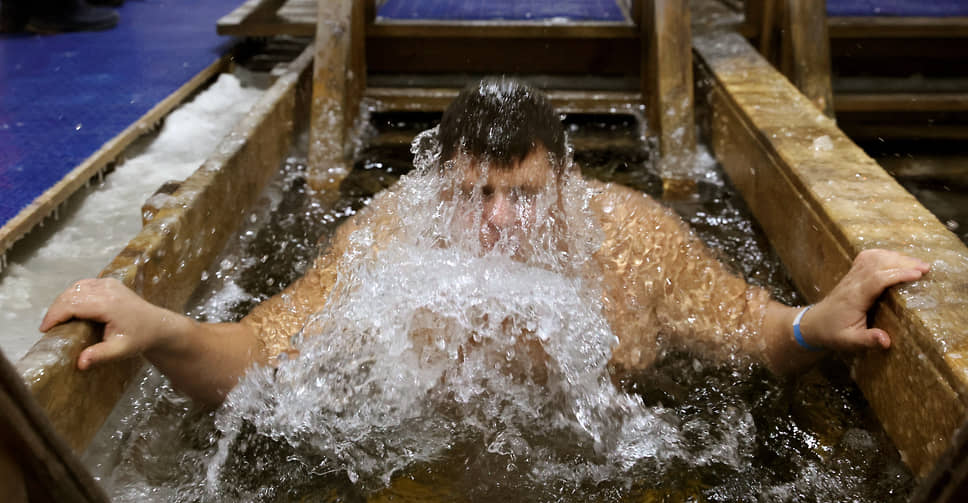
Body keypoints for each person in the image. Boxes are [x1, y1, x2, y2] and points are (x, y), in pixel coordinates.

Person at [40, 79, 930, 406]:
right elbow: (263, 352)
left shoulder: (630, 239)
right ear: (437, 186)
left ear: (567, 183)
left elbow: (754, 333)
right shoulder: (388, 239)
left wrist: (822, 318)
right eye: (472, 195)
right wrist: (159, 327)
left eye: (523, 194)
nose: (497, 221)